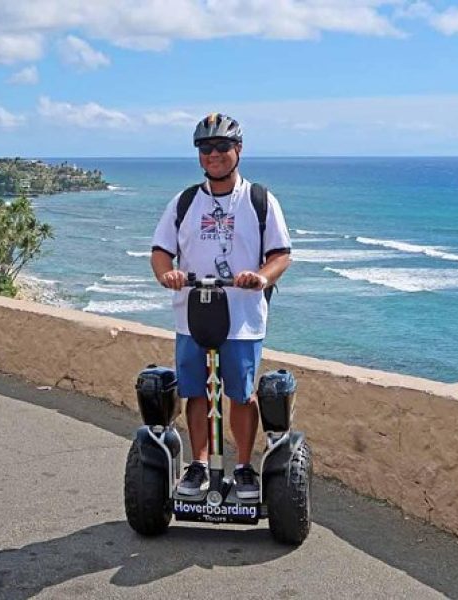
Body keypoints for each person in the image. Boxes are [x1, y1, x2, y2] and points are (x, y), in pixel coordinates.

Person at [150, 113, 292, 499]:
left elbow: (281, 253)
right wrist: (168, 275)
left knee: (241, 394)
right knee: (195, 391)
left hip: (242, 318)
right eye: (205, 148)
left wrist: (262, 277)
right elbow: (161, 251)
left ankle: (244, 467)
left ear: (238, 150)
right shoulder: (185, 202)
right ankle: (197, 466)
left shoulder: (259, 200)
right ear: (199, 155)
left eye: (222, 147)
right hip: (192, 313)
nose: (213, 154)